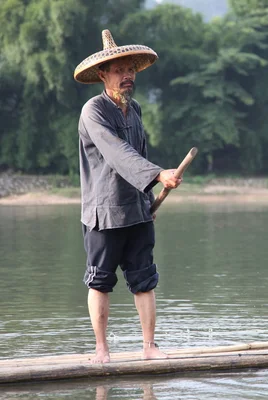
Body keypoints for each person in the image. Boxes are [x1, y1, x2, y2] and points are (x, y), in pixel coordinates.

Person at [73, 29, 181, 363]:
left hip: (137, 210)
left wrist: (149, 197)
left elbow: (140, 150)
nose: (127, 75)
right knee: (100, 281)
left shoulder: (133, 111)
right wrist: (157, 173)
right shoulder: (94, 111)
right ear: (103, 75)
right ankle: (101, 349)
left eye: (130, 69)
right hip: (104, 212)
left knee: (145, 279)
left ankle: (149, 346)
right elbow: (117, 153)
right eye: (119, 70)